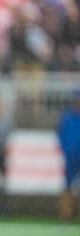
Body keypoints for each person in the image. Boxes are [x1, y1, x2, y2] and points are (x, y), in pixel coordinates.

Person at [57, 90, 80, 223]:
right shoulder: (67, 116)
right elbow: (60, 135)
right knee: (67, 187)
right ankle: (65, 217)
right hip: (70, 157)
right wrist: (66, 149)